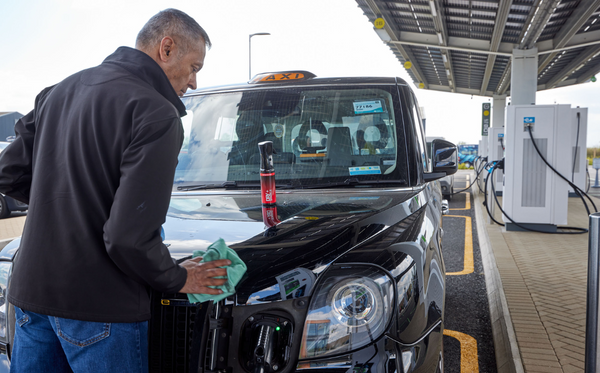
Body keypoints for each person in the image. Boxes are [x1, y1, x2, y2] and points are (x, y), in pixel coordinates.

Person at [0, 9, 231, 373]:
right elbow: (128, 238)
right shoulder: (156, 113)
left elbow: (7, 172)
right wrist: (180, 277)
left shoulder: (57, 92)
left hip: (30, 298)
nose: (194, 83)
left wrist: (70, 201)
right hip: (101, 307)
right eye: (194, 67)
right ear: (166, 48)